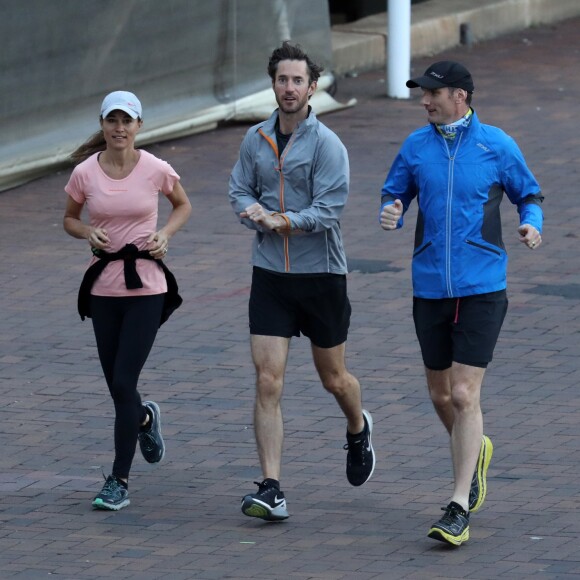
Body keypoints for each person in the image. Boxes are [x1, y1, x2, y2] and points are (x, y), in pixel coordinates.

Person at [379, 61, 543, 545]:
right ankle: (476, 450)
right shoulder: (415, 146)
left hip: (482, 286)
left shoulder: (497, 144)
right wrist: (391, 209)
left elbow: (528, 193)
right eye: (422, 94)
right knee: (439, 395)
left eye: (433, 93)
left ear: (461, 97)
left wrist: (532, 223)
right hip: (429, 285)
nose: (425, 101)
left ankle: (457, 505)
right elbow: (395, 192)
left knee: (464, 394)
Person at [229, 41, 376, 521]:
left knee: (334, 379)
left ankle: (357, 427)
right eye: (281, 80)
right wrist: (253, 215)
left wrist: (284, 221)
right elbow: (239, 188)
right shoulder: (256, 138)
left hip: (321, 276)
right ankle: (272, 486)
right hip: (270, 275)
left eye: (297, 81)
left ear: (312, 88)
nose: (288, 88)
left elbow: (329, 210)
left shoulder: (328, 145)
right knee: (268, 380)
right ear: (272, 84)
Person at [63, 90, 192, 510]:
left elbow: (182, 205)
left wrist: (165, 234)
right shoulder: (86, 172)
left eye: (127, 121)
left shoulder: (155, 168)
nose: (119, 128)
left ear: (139, 125)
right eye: (112, 120)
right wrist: (86, 233)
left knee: (123, 381)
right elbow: (69, 218)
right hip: (103, 290)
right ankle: (143, 417)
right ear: (102, 124)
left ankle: (118, 480)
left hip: (147, 289)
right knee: (119, 390)